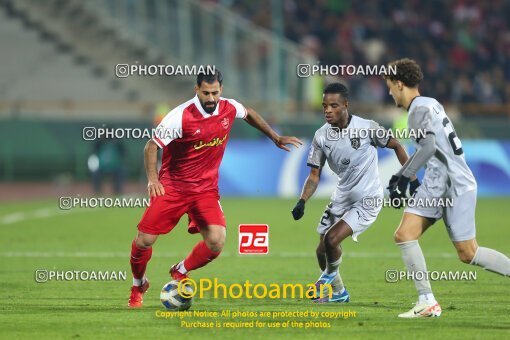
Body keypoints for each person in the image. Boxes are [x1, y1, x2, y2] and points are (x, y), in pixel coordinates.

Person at [128, 70, 302, 308]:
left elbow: (248, 113)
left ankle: (180, 270)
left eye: (215, 93)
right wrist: (152, 179)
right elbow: (151, 146)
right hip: (173, 186)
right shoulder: (179, 116)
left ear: (221, 90)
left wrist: (274, 136)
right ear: (196, 90)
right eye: (206, 93)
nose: (211, 98)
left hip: (205, 190)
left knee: (216, 241)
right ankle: (138, 285)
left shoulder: (229, 108)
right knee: (144, 240)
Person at [383, 58, 510, 318]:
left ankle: (427, 301)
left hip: (451, 186)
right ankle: (427, 301)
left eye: (389, 86)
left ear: (399, 84)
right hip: (441, 183)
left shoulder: (417, 110)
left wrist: (405, 176)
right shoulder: (431, 104)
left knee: (468, 253)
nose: (389, 92)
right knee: (406, 235)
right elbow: (434, 150)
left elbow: (429, 147)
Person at [291, 83, 415, 303]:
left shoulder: (367, 127)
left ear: (346, 105)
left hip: (368, 199)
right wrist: (302, 201)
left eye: (333, 105)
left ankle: (324, 279)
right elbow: (313, 176)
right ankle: (339, 293)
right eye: (324, 106)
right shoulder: (321, 136)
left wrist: (411, 179)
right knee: (322, 251)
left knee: (332, 239)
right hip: (342, 197)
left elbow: (396, 146)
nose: (327, 110)